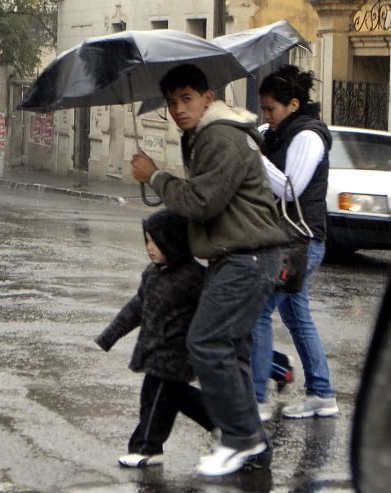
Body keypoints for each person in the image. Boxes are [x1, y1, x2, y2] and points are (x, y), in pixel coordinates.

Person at [130, 64, 286, 477]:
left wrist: (156, 176)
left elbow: (202, 203)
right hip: (233, 256)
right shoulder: (204, 137)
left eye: (186, 98)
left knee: (206, 342)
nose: (178, 109)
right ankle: (253, 448)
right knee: (230, 352)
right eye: (171, 102)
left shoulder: (219, 137)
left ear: (208, 98)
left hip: (246, 257)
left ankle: (239, 438)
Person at [95, 210, 215, 468]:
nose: (150, 248)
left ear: (173, 240)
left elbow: (212, 313)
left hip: (176, 355)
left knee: (156, 401)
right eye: (147, 240)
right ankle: (225, 424)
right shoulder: (152, 274)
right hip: (153, 351)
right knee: (178, 399)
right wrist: (110, 335)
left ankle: (146, 447)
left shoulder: (194, 277)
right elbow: (136, 307)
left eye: (156, 241)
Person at [252, 65, 337, 421]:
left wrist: (253, 158)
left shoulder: (307, 136)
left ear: (293, 105)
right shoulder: (281, 134)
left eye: (271, 109)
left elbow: (289, 188)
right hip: (291, 240)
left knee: (258, 311)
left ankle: (255, 401)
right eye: (264, 110)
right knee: (295, 314)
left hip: (299, 242)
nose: (267, 116)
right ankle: (321, 392)